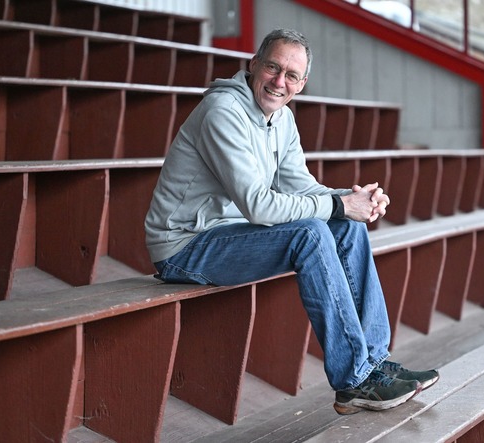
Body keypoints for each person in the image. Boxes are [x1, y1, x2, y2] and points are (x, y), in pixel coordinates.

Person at [145, 28, 439, 415]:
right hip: (185, 245)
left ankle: (374, 362)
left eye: (291, 75)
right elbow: (259, 207)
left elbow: (303, 190)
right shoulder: (223, 112)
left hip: (231, 236)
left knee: (345, 225)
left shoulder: (280, 119)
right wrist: (338, 206)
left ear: (302, 85)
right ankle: (354, 381)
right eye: (272, 67)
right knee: (313, 233)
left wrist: (353, 202)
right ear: (253, 65)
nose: (279, 81)